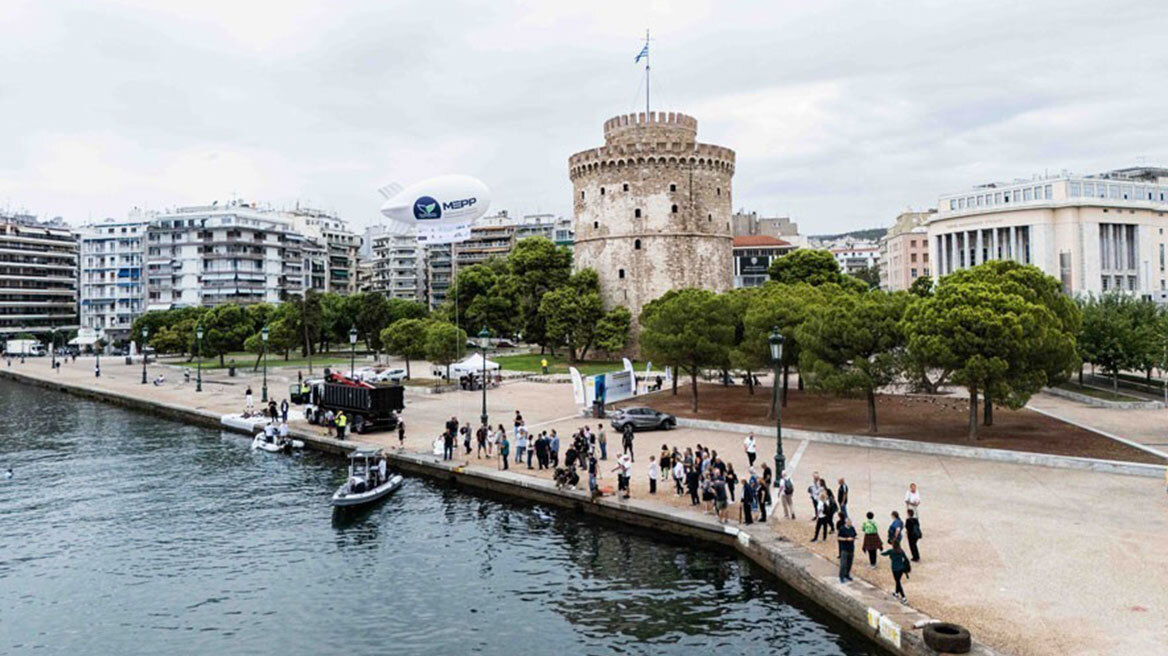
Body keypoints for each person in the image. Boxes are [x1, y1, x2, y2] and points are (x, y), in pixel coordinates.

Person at [837, 516, 857, 583]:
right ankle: (841, 576)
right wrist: (846, 539)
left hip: (851, 548)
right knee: (843, 564)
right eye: (849, 522)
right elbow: (839, 537)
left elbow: (855, 535)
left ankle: (847, 574)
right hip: (844, 548)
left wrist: (854, 538)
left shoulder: (852, 528)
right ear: (846, 522)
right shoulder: (842, 529)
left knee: (849, 563)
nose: (850, 523)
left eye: (850, 522)